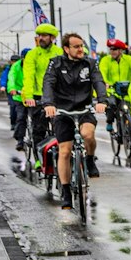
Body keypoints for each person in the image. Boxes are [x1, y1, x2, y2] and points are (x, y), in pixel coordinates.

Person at [39, 33, 109, 205]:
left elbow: (98, 81)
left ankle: (90, 159)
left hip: (84, 108)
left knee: (88, 134)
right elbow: (48, 83)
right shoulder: (55, 64)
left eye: (82, 46)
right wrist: (48, 104)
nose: (81, 49)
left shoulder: (90, 63)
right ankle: (66, 191)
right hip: (62, 111)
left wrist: (102, 101)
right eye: (76, 46)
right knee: (64, 150)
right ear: (66, 49)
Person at [19, 24, 60, 159]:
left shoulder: (59, 53)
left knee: (61, 127)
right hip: (38, 96)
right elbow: (29, 76)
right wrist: (29, 96)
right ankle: (38, 158)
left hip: (56, 95)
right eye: (39, 36)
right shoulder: (32, 55)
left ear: (52, 38)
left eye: (44, 36)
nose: (40, 38)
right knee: (39, 129)